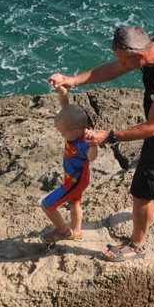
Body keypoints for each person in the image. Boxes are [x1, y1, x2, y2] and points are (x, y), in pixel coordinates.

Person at [48, 26, 154, 261]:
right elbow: (115, 67)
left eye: (125, 60)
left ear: (139, 55)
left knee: (143, 187)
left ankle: (137, 244)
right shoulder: (151, 47)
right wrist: (72, 81)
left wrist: (108, 136)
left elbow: (152, 128)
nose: (122, 64)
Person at [39, 84, 99, 244]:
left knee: (47, 206)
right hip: (77, 180)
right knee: (75, 203)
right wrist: (63, 92)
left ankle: (63, 231)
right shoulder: (75, 127)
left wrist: (94, 144)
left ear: (76, 133)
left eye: (62, 133)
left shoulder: (83, 143)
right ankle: (77, 232)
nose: (61, 135)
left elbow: (92, 158)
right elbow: (66, 107)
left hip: (74, 182)